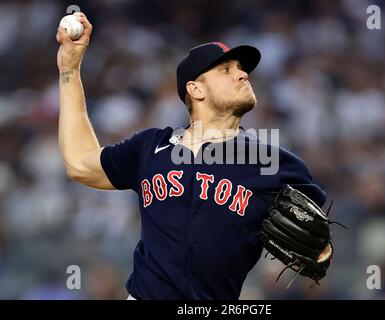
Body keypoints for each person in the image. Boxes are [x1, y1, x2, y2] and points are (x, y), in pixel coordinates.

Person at [56, 12, 328, 300]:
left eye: (241, 69)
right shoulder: (150, 147)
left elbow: (319, 248)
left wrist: (321, 252)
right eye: (226, 69)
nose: (243, 74)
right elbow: (80, 163)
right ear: (195, 89)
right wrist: (69, 68)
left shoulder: (273, 163)